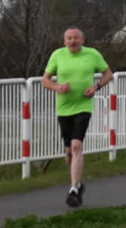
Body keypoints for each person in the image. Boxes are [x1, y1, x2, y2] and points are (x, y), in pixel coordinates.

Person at [41, 27, 113, 208]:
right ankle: (78, 183)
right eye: (69, 39)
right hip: (64, 107)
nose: (72, 42)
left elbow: (108, 74)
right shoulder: (58, 55)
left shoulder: (92, 54)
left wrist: (96, 87)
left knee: (76, 145)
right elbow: (45, 80)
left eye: (76, 38)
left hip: (83, 105)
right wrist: (57, 87)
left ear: (83, 40)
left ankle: (73, 189)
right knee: (68, 151)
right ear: (64, 41)